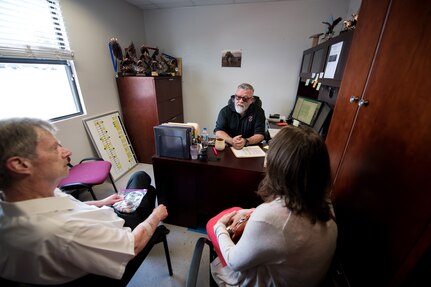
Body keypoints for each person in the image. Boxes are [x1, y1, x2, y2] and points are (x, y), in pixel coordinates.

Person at [0, 118, 168, 286]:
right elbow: (133, 246)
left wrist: (103, 201)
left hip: (106, 220)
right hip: (123, 235)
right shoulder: (62, 231)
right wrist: (155, 216)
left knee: (141, 178)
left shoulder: (21, 198)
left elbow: (70, 207)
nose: (67, 152)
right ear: (20, 164)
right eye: (54, 148)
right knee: (149, 189)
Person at [208, 126, 338, 286]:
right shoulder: (326, 203)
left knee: (212, 225)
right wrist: (251, 212)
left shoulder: (270, 217)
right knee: (237, 212)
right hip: (304, 278)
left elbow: (234, 262)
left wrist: (220, 227)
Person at [214, 83, 266, 150]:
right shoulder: (225, 111)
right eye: (238, 97)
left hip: (250, 148)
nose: (240, 101)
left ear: (251, 100)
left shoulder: (259, 112)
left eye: (245, 99)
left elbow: (260, 135)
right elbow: (219, 131)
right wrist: (232, 141)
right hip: (229, 147)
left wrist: (246, 141)